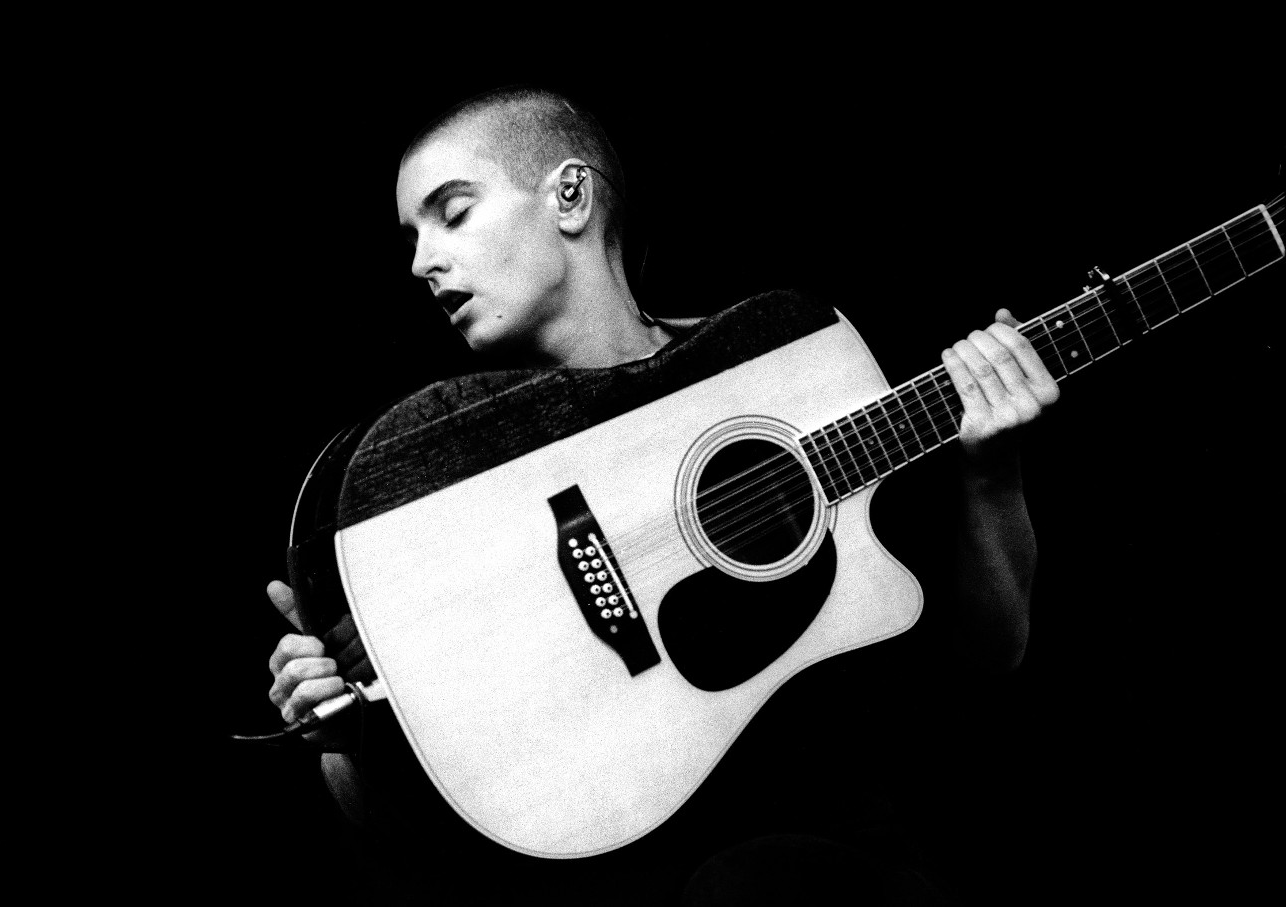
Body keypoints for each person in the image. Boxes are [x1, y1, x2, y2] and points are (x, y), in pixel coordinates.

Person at [262, 85, 1059, 905]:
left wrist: (992, 474)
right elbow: (424, 846)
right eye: (412, 235)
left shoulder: (784, 363)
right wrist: (355, 738)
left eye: (452, 213)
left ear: (569, 197)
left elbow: (991, 652)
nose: (422, 261)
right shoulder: (452, 490)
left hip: (833, 876)